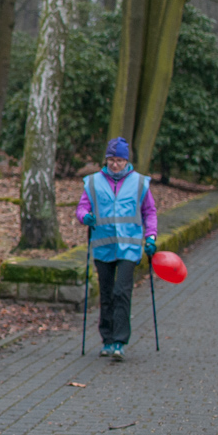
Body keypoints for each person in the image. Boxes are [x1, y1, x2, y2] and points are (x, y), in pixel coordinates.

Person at [75, 137, 158, 361]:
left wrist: (150, 237)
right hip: (103, 247)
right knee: (106, 294)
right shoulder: (93, 182)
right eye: (111, 160)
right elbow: (82, 207)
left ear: (126, 161)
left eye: (119, 160)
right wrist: (86, 217)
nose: (114, 164)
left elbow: (149, 211)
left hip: (129, 248)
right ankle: (107, 339)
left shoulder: (140, 183)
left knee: (122, 292)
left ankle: (120, 341)